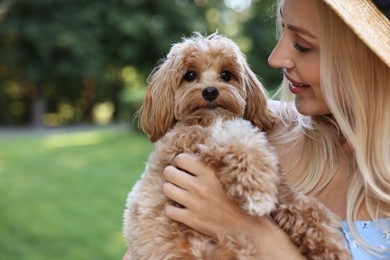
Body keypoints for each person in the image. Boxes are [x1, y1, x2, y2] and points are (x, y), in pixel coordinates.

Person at [123, 0, 390, 259]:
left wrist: (254, 233)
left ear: (368, 55)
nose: (276, 58)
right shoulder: (251, 129)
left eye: (303, 45)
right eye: (283, 30)